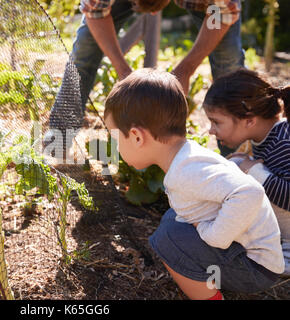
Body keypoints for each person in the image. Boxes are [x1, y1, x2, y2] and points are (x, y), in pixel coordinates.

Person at [104, 68, 285, 299]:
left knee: (168, 239)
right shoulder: (185, 158)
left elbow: (250, 192)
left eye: (115, 138)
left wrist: (213, 236)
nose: (115, 147)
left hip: (255, 268)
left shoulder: (187, 171)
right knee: (173, 220)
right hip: (248, 256)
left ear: (137, 137)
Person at [47, 0, 242, 156]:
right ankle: (58, 139)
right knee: (84, 54)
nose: (153, 15)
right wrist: (123, 71)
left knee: (228, 64)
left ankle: (237, 155)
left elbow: (222, 13)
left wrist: (186, 70)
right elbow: (94, 12)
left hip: (215, 6)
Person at [202, 68, 290, 277]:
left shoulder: (284, 143)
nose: (211, 130)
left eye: (216, 122)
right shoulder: (265, 137)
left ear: (249, 120)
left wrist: (254, 171)